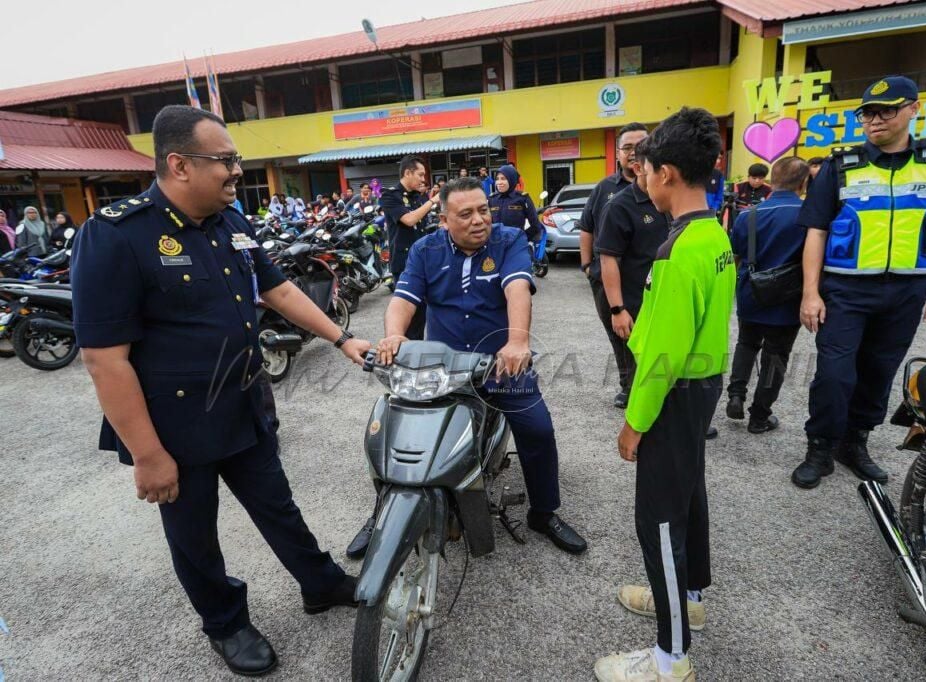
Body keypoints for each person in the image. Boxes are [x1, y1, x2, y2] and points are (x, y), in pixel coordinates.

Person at [70, 105, 372, 676]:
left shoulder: (232, 221)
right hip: (174, 428)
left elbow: (276, 290)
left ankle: (320, 583)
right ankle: (226, 623)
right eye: (225, 160)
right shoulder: (115, 236)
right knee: (195, 536)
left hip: (243, 402)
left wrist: (340, 339)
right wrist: (148, 455)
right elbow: (104, 360)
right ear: (179, 164)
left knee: (278, 507)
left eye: (237, 160)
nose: (237, 171)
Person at [351, 176, 587, 558]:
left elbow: (517, 289)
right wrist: (394, 334)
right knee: (395, 430)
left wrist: (517, 342)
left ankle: (544, 512)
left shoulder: (508, 241)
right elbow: (404, 297)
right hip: (441, 367)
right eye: (466, 214)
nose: (479, 220)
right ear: (444, 220)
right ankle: (384, 510)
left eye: (483, 210)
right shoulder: (426, 249)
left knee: (538, 429)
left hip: (500, 364)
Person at [595, 106, 735, 682]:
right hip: (701, 385)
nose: (642, 180)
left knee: (658, 521)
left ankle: (670, 657)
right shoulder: (711, 233)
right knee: (689, 498)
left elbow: (662, 359)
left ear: (669, 174)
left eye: (646, 170)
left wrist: (635, 421)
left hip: (673, 393)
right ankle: (690, 596)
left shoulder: (677, 253)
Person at [793, 75, 926, 490]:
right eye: (867, 113)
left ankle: (855, 442)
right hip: (846, 289)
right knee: (835, 374)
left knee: (879, 371)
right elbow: (815, 231)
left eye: (885, 110)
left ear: (913, 108)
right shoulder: (841, 165)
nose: (874, 120)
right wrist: (810, 292)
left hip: (906, 290)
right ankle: (820, 445)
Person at [725, 157, 809, 433]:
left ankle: (736, 394)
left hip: (751, 292)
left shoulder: (748, 215)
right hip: (788, 297)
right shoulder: (809, 216)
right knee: (776, 356)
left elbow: (734, 255)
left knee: (746, 344)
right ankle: (759, 416)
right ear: (803, 182)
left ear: (772, 181)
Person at [595, 137, 669, 410]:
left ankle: (664, 409)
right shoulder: (619, 206)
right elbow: (608, 258)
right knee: (636, 362)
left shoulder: (670, 199)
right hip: (632, 300)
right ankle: (642, 416)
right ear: (639, 169)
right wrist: (617, 309)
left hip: (663, 297)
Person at [579, 122, 648, 407]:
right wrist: (586, 266)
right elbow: (586, 227)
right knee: (619, 335)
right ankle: (627, 385)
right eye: (627, 147)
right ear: (618, 153)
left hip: (648, 281)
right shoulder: (604, 189)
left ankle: (648, 391)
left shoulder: (662, 184)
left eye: (640, 146)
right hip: (608, 279)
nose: (634, 153)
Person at [377, 155, 439, 343]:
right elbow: (409, 219)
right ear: (407, 173)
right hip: (404, 265)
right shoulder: (390, 196)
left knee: (425, 314)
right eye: (420, 175)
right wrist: (432, 201)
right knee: (410, 318)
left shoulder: (417, 197)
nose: (423, 179)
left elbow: (423, 225)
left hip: (425, 262)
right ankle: (409, 359)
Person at [487, 164, 542, 242]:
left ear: (511, 180)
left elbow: (535, 225)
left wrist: (522, 237)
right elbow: (487, 224)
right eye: (497, 179)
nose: (499, 182)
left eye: (503, 179)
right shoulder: (492, 199)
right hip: (496, 245)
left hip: (516, 245)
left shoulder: (522, 198)